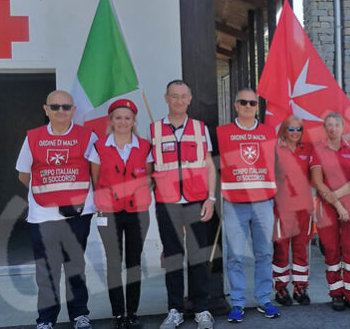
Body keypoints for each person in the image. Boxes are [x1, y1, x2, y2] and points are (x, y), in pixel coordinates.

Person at [15, 90, 97, 329]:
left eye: (66, 106)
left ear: (73, 110)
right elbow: (23, 175)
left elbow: (95, 172)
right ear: (46, 109)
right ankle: (46, 319)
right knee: (47, 269)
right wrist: (50, 192)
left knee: (75, 265)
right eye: (55, 106)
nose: (61, 111)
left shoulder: (87, 136)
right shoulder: (33, 138)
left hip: (78, 212)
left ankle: (79, 314)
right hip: (43, 214)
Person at [151, 80, 216, 329]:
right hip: (167, 203)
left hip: (196, 200)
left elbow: (209, 165)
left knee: (198, 257)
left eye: (183, 96)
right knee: (173, 258)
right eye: (174, 96)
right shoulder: (154, 129)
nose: (179, 101)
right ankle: (175, 310)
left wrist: (211, 198)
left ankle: (201, 310)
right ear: (166, 98)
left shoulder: (200, 129)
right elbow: (149, 169)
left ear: (190, 99)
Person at [216, 88, 281, 323]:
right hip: (234, 204)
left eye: (252, 103)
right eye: (243, 102)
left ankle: (264, 299)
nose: (247, 106)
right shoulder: (222, 133)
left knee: (264, 253)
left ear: (257, 106)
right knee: (235, 256)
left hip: (264, 203)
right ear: (235, 105)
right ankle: (237, 303)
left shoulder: (268, 132)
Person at [89, 99, 153, 328]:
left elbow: (147, 177)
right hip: (109, 212)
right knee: (114, 262)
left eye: (127, 118)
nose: (123, 122)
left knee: (134, 262)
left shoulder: (145, 147)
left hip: (137, 212)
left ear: (134, 121)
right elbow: (96, 178)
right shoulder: (98, 147)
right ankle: (118, 313)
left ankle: (133, 312)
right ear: (111, 121)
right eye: (118, 117)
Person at [310, 112, 350, 315]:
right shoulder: (318, 150)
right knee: (332, 251)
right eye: (329, 125)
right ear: (324, 129)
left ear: (343, 128)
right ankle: (336, 294)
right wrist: (337, 204)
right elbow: (317, 181)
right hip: (327, 208)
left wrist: (337, 197)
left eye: (336, 125)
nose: (332, 128)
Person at [272, 116, 314, 306]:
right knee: (280, 249)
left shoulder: (309, 149)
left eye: (299, 129)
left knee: (301, 249)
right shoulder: (275, 149)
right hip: (282, 208)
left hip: (304, 208)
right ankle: (280, 289)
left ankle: (300, 287)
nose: (295, 133)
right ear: (284, 130)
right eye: (291, 129)